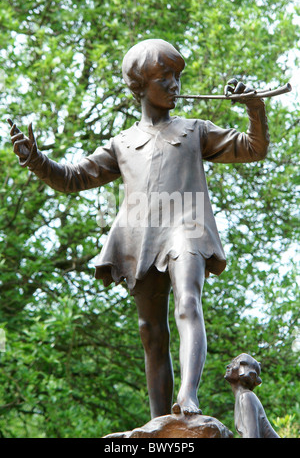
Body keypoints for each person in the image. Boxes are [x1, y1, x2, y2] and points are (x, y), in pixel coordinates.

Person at [8, 39, 269, 418]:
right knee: (150, 330)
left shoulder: (195, 130)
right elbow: (72, 178)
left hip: (187, 225)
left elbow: (253, 147)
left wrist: (255, 109)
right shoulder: (122, 143)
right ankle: (160, 421)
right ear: (140, 86)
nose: (175, 85)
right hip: (141, 235)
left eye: (177, 77)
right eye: (165, 78)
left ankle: (188, 396)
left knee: (187, 301)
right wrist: (35, 159)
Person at [225, 353, 280, 438]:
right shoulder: (242, 397)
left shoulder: (246, 397)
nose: (228, 366)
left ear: (243, 371)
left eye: (235, 363)